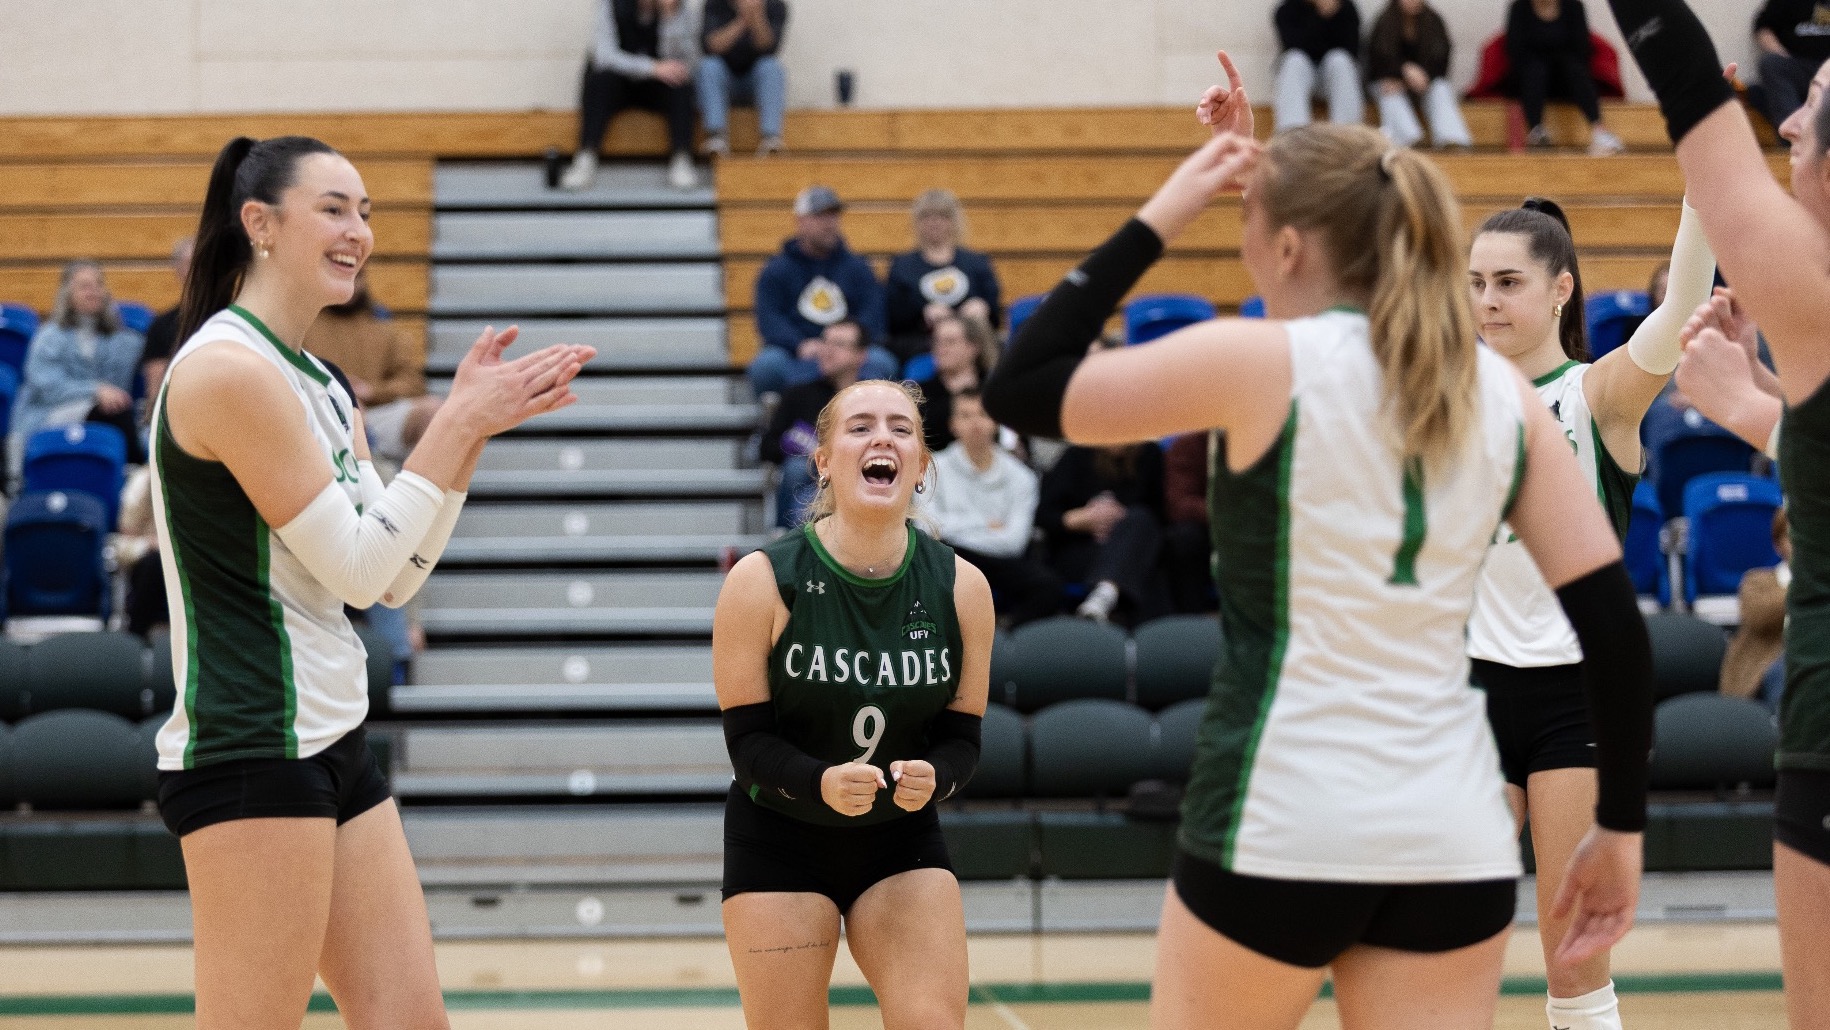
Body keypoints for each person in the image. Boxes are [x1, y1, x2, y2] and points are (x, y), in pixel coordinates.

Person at [982, 78, 1652, 1025]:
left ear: (1287, 246)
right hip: (1449, 834)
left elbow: (1022, 382)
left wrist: (1177, 198)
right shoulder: (1502, 399)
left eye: (1248, 221)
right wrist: (1619, 829)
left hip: (1283, 815)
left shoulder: (1258, 364)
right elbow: (1616, 632)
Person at [151, 134, 591, 1030]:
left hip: (331, 737)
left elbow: (387, 581)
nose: (359, 230)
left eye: (365, 212)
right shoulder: (227, 372)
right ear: (259, 224)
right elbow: (356, 564)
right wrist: (452, 422)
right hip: (252, 745)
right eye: (334, 209)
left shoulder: (320, 379)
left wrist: (462, 437)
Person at [1593, 0, 1830, 1018]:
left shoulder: (1813, 292)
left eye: (1812, 107)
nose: (1786, 125)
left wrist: (1748, 412)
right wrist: (1775, 411)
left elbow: (1694, 90)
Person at [1465, 192, 1714, 1030]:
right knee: (1431, 944)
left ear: (1561, 289)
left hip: (1572, 698)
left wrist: (1702, 178)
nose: (1488, 300)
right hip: (1462, 696)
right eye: (1475, 283)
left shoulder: (1598, 395)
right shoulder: (1447, 393)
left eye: (1507, 281)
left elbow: (1681, 307)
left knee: (1573, 961)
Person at [712, 378, 994, 1030]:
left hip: (898, 841)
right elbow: (748, 748)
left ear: (922, 466)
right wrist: (822, 782)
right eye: (860, 425)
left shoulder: (963, 588)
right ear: (824, 461)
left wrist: (939, 775)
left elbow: (963, 739)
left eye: (901, 428)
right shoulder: (760, 581)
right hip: (778, 837)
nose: (882, 438)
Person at [924, 389, 1062, 627]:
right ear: (953, 424)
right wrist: (986, 525)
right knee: (930, 569)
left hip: (1001, 561)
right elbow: (926, 527)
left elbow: (1013, 542)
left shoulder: (1022, 476)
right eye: (965, 416)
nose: (975, 423)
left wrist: (954, 526)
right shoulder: (931, 468)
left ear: (996, 422)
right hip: (951, 558)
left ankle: (1002, 630)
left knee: (1048, 586)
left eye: (982, 414)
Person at [748, 185, 897, 398]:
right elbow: (770, 320)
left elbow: (873, 315)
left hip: (849, 350)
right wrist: (800, 344)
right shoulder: (776, 270)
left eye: (833, 216)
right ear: (801, 221)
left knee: (881, 363)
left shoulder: (858, 267)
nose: (829, 224)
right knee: (767, 367)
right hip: (797, 353)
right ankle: (777, 421)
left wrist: (844, 346)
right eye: (820, 217)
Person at [8, 260, 146, 474]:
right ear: (67, 294)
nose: (94, 292)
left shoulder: (124, 339)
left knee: (120, 413)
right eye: (84, 286)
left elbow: (149, 356)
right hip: (50, 412)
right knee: (116, 413)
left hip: (107, 411)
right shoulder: (49, 337)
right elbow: (48, 388)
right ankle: (139, 468)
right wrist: (95, 390)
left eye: (98, 285)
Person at [560, 0, 701, 192]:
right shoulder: (609, 5)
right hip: (620, 83)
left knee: (681, 85)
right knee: (598, 79)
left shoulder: (679, 9)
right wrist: (651, 68)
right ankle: (586, 155)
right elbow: (604, 56)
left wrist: (669, 19)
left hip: (656, 88)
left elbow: (688, 62)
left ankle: (682, 158)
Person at [302, 274, 441, 467]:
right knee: (351, 413)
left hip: (376, 416)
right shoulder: (303, 321)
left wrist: (372, 391)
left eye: (356, 276)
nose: (350, 281)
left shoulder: (382, 325)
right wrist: (341, 395)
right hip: (321, 415)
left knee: (433, 412)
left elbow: (412, 382)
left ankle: (423, 493)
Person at [1037, 437, 1170, 626]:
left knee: (1141, 521)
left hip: (1134, 545)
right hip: (1081, 550)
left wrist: (1122, 523)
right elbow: (1045, 516)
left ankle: (1104, 596)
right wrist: (1083, 519)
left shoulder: (1150, 455)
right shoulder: (1076, 455)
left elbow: (1161, 515)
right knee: (1144, 571)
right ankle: (1146, 640)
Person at [759, 319, 876, 528]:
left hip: (861, 481)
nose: (827, 350)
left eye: (838, 344)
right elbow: (766, 447)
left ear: (861, 355)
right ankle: (787, 541)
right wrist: (794, 444)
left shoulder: (873, 398)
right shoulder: (798, 394)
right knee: (797, 468)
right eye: (824, 342)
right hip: (812, 485)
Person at [885, 190, 1002, 363]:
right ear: (917, 222)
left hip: (971, 341)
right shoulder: (902, 265)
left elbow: (995, 313)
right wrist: (922, 314)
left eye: (942, 216)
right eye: (927, 217)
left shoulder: (976, 262)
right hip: (923, 342)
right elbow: (893, 317)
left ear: (954, 221)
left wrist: (983, 307)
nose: (934, 223)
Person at [1504, 0, 1626, 154]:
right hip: (1532, 79)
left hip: (1566, 80)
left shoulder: (1574, 6)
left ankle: (1599, 131)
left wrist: (1557, 59)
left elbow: (1582, 48)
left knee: (1573, 68)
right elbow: (1515, 50)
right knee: (1535, 69)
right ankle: (1536, 130)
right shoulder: (1519, 8)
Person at [1366, 0, 1475, 149]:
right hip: (1390, 82)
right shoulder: (1384, 21)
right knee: (1389, 92)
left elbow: (1442, 60)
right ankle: (1409, 142)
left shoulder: (1433, 21)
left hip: (1424, 83)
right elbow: (1376, 63)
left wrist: (1422, 76)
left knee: (1441, 88)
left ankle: (1452, 141)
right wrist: (1403, 71)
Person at [698, 0, 789, 157]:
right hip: (724, 80)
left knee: (772, 67)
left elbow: (769, 47)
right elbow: (711, 47)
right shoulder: (714, 5)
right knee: (708, 66)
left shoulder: (776, 5)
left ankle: (770, 137)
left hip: (755, 82)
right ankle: (716, 135)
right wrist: (742, 20)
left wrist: (757, 17)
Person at [1721, 508, 1790, 712]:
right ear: (1778, 545)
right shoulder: (1757, 581)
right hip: (1761, 676)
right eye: (1791, 537)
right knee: (1788, 666)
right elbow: (1758, 616)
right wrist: (1808, 583)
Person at [1272, 0, 1365, 133]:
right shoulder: (1286, 11)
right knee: (1293, 60)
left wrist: (1333, 14)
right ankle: (1293, 138)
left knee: (1340, 59)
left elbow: (1351, 49)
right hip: (1303, 75)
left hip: (1333, 76)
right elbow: (1294, 44)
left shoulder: (1346, 8)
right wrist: (1320, 16)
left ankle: (1347, 136)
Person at [915, 312, 996, 452]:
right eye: (937, 342)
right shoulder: (919, 395)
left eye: (950, 342)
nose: (941, 349)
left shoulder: (993, 390)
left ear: (973, 347)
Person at [1161, 432, 1217, 613]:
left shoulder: (1259, 446)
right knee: (1183, 539)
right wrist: (1226, 513)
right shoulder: (1188, 445)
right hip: (1206, 531)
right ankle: (1190, 618)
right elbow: (1179, 505)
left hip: (1250, 531)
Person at [1754, 0, 1830, 130]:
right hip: (1798, 67)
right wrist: (1781, 54)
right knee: (1771, 63)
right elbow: (1763, 28)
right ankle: (1795, 133)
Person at [140, 236, 194, 399]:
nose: (199, 269)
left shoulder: (233, 318)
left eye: (205, 262)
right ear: (178, 270)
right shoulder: (161, 325)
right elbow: (156, 391)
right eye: (190, 264)